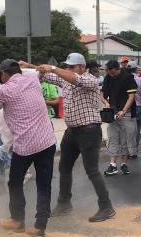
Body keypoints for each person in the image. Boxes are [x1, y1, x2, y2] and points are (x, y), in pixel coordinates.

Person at [0, 59, 57, 237]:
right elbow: (17, 75)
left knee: (15, 182)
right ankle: (40, 227)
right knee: (44, 185)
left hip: (25, 146)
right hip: (47, 141)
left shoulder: (6, 90)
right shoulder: (32, 79)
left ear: (3, 75)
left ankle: (17, 220)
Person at [34, 54, 115, 222]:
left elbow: (70, 78)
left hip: (89, 130)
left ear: (81, 67)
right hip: (72, 131)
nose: (68, 69)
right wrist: (31, 66)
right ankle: (64, 204)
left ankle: (106, 207)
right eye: (68, 67)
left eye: (72, 67)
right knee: (64, 167)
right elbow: (47, 75)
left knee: (91, 170)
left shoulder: (90, 80)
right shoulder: (65, 79)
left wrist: (54, 68)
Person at [101, 59, 138, 176]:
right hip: (112, 112)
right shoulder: (108, 78)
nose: (111, 75)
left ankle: (124, 164)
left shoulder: (128, 77)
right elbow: (102, 94)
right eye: (109, 73)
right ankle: (112, 165)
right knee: (112, 138)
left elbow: (131, 96)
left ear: (118, 69)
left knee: (125, 139)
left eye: (113, 73)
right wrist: (105, 103)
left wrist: (124, 110)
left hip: (126, 112)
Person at [130, 62, 141, 155]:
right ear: (136, 69)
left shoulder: (125, 79)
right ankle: (134, 150)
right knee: (137, 128)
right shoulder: (140, 80)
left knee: (128, 129)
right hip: (139, 106)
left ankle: (128, 150)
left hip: (129, 107)